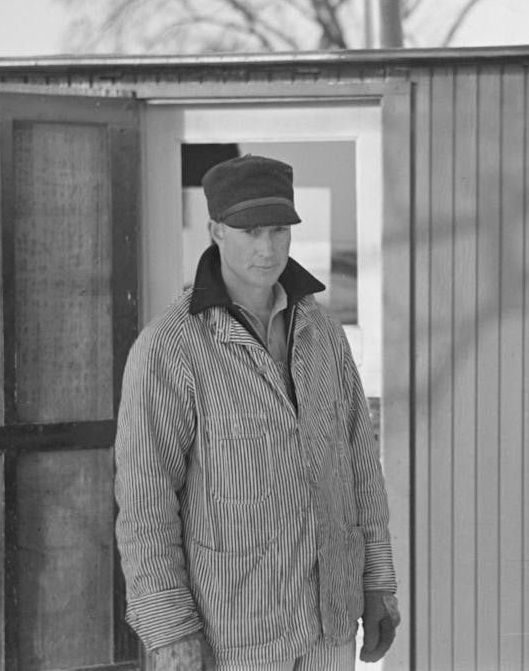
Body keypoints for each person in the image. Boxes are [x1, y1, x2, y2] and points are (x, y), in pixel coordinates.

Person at [114, 154, 399, 671]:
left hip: (328, 625)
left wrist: (377, 581)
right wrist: (169, 628)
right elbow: (145, 499)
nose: (267, 249)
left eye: (278, 230)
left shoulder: (323, 335)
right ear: (216, 230)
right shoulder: (170, 348)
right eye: (249, 231)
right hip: (233, 633)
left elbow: (360, 466)